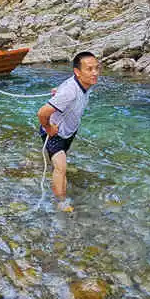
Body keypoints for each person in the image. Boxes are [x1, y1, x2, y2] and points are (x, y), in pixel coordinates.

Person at [37, 51, 101, 210]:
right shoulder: (70, 92)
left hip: (69, 130)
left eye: (97, 68)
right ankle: (61, 202)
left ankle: (55, 173)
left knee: (60, 164)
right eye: (89, 69)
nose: (95, 73)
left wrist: (58, 90)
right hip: (55, 132)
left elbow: (68, 84)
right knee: (61, 168)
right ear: (77, 72)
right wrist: (48, 128)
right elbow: (42, 112)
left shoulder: (85, 83)